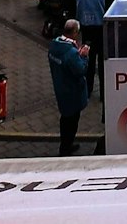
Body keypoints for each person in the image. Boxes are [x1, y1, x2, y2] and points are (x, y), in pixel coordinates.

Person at [49, 19, 91, 156]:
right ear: (74, 32)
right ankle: (66, 147)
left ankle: (65, 145)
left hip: (60, 88)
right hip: (72, 92)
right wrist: (84, 57)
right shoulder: (71, 53)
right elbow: (80, 70)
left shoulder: (54, 46)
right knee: (71, 122)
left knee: (65, 119)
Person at [75, 0, 109, 82]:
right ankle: (103, 92)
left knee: (87, 58)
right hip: (100, 30)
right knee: (102, 61)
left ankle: (87, 89)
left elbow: (77, 7)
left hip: (86, 28)